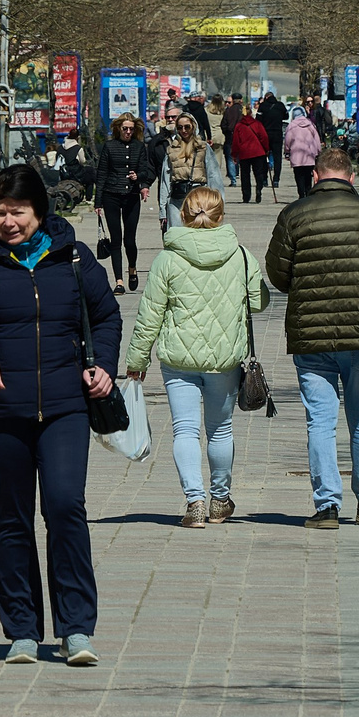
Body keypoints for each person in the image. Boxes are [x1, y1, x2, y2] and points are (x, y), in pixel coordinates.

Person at [0, 163, 121, 666]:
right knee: (12, 519)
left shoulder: (75, 258)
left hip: (66, 407)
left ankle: (76, 629)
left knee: (64, 507)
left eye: (18, 212)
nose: (8, 222)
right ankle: (21, 630)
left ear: (40, 210)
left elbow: (105, 316)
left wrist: (104, 364)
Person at [264, 143, 359, 528]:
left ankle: (327, 506)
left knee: (320, 421)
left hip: (312, 334)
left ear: (316, 175)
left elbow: (278, 275)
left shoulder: (294, 215)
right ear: (352, 177)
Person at [126, 186, 267, 528]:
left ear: (183, 215)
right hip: (224, 358)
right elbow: (258, 304)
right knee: (220, 431)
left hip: (178, 360)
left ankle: (195, 503)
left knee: (185, 431)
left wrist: (137, 361)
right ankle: (220, 500)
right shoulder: (242, 256)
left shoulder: (167, 259)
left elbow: (150, 315)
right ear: (222, 215)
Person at [93, 114, 158, 289]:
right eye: (125, 129)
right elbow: (101, 175)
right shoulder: (109, 146)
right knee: (116, 239)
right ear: (118, 129)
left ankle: (132, 268)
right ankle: (119, 281)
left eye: (131, 129)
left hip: (131, 196)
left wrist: (139, 177)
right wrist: (98, 202)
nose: (128, 132)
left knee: (129, 239)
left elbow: (145, 170)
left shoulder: (139, 147)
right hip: (111, 195)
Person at [162, 112, 208, 231]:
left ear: (194, 126)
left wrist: (218, 205)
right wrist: (162, 211)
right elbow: (165, 180)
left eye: (187, 126)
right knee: (177, 235)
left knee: (198, 234)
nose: (184, 130)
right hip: (177, 199)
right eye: (180, 127)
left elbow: (214, 177)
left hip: (199, 199)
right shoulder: (171, 149)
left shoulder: (203, 147)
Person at [227, 100, 271, 204]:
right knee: (258, 173)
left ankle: (246, 196)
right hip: (258, 152)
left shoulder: (239, 126)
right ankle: (259, 188)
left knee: (245, 175)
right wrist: (266, 149)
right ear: (251, 113)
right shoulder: (257, 124)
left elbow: (236, 142)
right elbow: (264, 137)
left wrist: (234, 154)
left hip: (244, 153)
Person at [285, 100, 323, 197]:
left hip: (296, 156)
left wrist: (287, 150)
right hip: (309, 155)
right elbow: (317, 140)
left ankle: (301, 194)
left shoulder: (291, 126)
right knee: (308, 176)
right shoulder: (310, 125)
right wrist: (318, 151)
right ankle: (308, 192)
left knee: (299, 176)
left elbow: (288, 140)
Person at [257, 87, 290, 194]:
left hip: (265, 134)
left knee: (263, 156)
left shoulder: (263, 106)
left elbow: (258, 121)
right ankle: (276, 180)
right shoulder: (280, 105)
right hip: (277, 134)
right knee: (277, 158)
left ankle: (265, 179)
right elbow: (286, 116)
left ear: (266, 97)